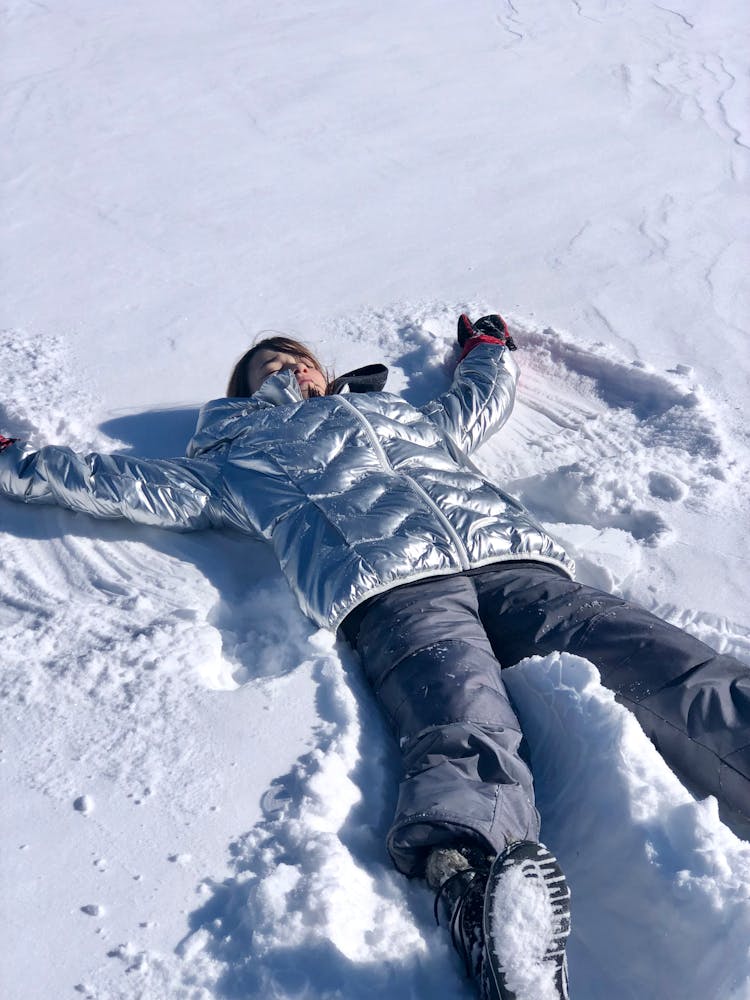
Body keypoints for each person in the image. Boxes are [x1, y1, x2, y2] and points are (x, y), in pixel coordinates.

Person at [2, 314, 749, 1000]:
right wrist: (16, 461)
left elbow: (475, 404)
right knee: (465, 728)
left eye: (299, 358)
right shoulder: (234, 456)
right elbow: (117, 482)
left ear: (324, 373)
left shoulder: (399, 413)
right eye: (270, 364)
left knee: (662, 663)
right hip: (391, 592)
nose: (290, 368)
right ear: (246, 389)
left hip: (514, 563)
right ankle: (483, 903)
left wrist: (488, 348)